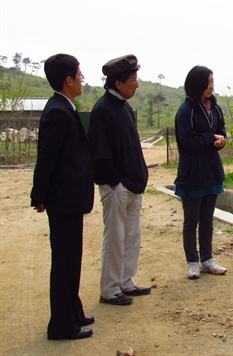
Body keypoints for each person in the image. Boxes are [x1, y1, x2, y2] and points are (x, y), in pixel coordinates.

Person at [30, 54, 95, 340]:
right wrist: (40, 195)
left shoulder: (63, 107)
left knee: (72, 258)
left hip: (69, 198)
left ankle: (74, 312)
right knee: (65, 261)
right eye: (80, 75)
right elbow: (47, 157)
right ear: (68, 80)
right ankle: (61, 325)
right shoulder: (57, 111)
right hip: (63, 199)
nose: (82, 79)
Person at [88, 54, 150, 305]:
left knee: (131, 237)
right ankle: (110, 288)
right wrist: (115, 182)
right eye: (133, 80)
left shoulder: (124, 107)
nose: (137, 84)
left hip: (132, 185)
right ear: (118, 83)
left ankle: (126, 281)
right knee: (114, 238)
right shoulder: (103, 110)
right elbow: (100, 152)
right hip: (118, 187)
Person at [174, 65, 228, 280]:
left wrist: (220, 139)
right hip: (193, 173)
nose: (211, 86)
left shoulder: (215, 108)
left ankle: (207, 259)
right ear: (196, 84)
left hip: (211, 171)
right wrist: (210, 137)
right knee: (191, 221)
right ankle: (192, 262)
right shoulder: (185, 111)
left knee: (207, 220)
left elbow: (220, 131)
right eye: (208, 82)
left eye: (213, 81)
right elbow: (187, 142)